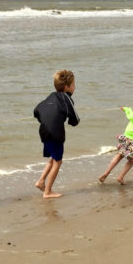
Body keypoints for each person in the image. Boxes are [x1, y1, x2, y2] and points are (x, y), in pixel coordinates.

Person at [33, 70, 80, 198]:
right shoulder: (67, 99)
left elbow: (37, 110)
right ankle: (47, 192)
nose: (75, 87)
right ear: (67, 87)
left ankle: (41, 181)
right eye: (74, 85)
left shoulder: (51, 96)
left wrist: (44, 119)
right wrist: (71, 121)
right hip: (55, 133)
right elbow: (76, 120)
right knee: (58, 162)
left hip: (44, 131)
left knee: (54, 158)